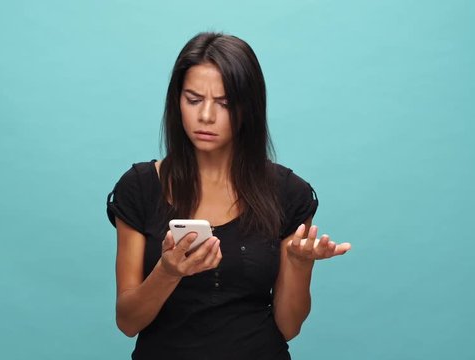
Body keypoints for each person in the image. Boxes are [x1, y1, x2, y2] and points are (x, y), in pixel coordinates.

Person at [106, 32, 351, 360]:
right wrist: (168, 271)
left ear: (249, 108)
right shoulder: (140, 187)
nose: (205, 116)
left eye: (224, 103)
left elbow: (289, 327)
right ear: (176, 100)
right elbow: (128, 321)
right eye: (193, 99)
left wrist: (298, 263)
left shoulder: (288, 193)